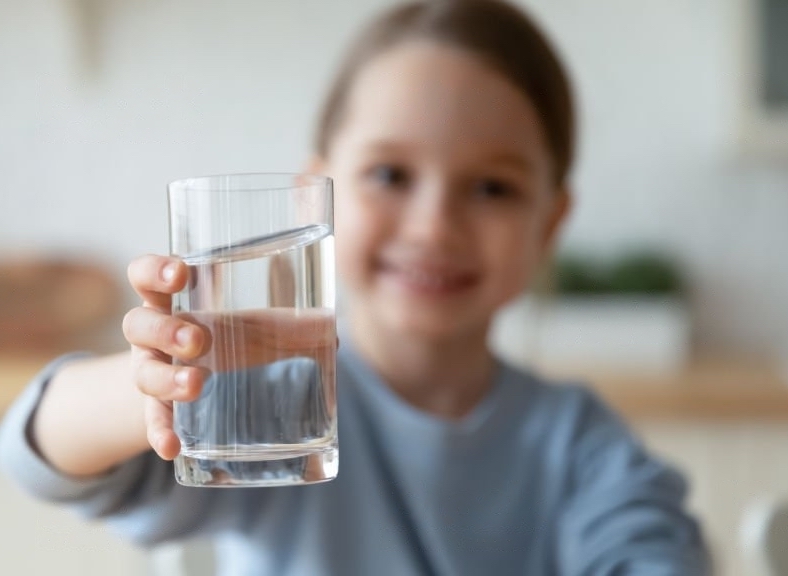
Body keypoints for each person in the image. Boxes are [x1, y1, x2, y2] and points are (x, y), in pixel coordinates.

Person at [0, 1, 711, 574]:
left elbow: (655, 548)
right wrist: (148, 383)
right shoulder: (272, 401)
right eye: (391, 175)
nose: (434, 226)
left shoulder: (579, 443)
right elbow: (36, 457)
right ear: (320, 194)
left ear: (549, 223)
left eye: (493, 187)